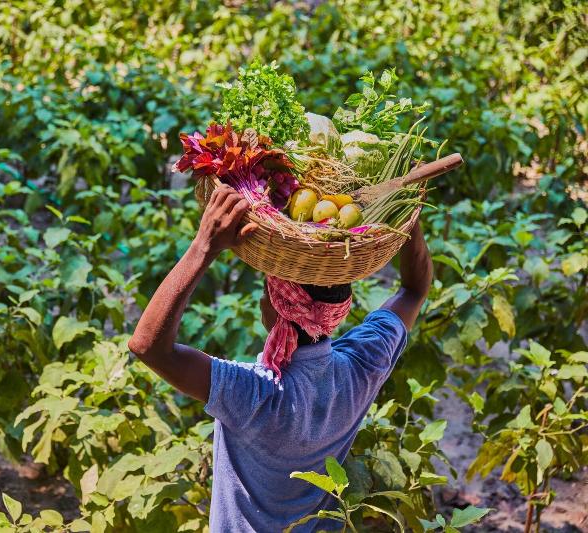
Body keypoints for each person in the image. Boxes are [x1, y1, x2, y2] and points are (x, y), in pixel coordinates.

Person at [128, 184, 433, 532]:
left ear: (278, 307)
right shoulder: (360, 370)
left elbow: (148, 346)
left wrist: (204, 246)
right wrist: (410, 209)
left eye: (266, 289)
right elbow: (415, 288)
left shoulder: (256, 397)